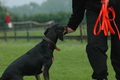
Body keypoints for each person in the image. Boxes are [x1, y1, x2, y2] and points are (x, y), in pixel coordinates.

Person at [65, 0, 120, 80]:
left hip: (118, 8)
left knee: (118, 48)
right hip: (95, 10)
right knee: (94, 45)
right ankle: (101, 77)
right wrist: (73, 23)